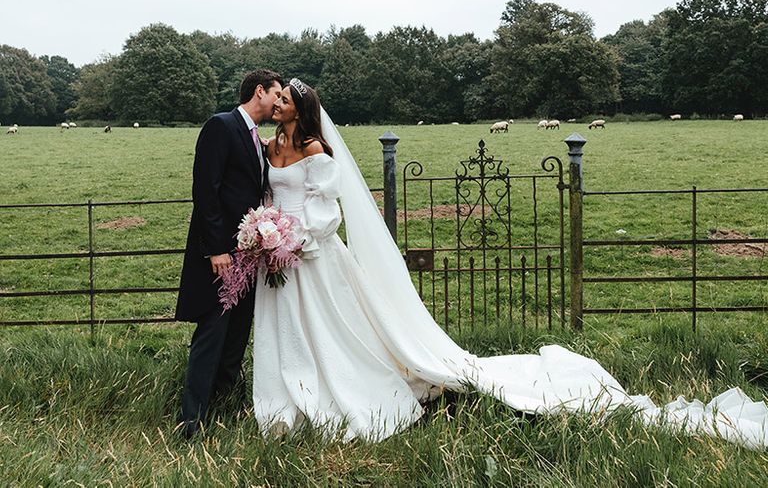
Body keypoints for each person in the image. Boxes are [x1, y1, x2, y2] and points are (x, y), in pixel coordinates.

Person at [251, 77, 768, 448]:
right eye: (277, 100)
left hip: (310, 252)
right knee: (291, 327)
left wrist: (293, 240)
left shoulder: (317, 148)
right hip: (280, 253)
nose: (278, 106)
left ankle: (341, 387)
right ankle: (291, 395)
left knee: (333, 325)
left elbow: (325, 215)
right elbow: (271, 195)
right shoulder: (270, 144)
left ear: (301, 108)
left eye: (286, 100)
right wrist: (266, 232)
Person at [175, 69, 283, 438]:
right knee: (213, 331)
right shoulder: (220, 126)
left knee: (237, 333)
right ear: (259, 91)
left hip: (249, 253)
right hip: (221, 256)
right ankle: (192, 420)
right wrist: (216, 249)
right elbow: (206, 190)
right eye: (276, 94)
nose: (279, 101)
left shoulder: (255, 138)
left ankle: (223, 404)